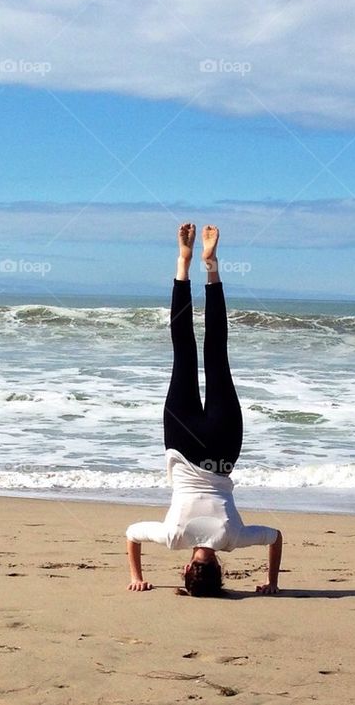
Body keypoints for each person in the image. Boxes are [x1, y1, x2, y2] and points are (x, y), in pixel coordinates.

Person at [125, 223, 283, 596]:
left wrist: (272, 582)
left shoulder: (232, 539)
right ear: (185, 569)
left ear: (221, 570)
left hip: (223, 449)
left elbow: (276, 537)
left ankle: (211, 266)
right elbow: (131, 534)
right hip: (182, 442)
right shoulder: (173, 537)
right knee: (183, 351)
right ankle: (184, 262)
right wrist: (135, 576)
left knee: (216, 352)